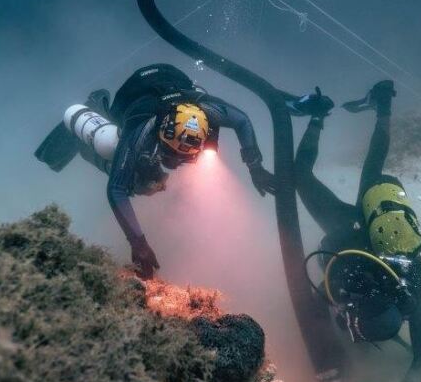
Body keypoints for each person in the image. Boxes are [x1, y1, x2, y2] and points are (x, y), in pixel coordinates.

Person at [36, 63, 276, 278]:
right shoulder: (141, 128)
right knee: (130, 172)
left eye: (185, 157)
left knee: (185, 163)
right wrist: (138, 243)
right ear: (160, 136)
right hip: (132, 96)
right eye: (172, 155)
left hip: (177, 80)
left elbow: (242, 120)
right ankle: (97, 105)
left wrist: (256, 168)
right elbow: (116, 189)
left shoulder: (206, 111)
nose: (177, 163)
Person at [293, 80, 421, 382]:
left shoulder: (410, 296)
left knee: (371, 169)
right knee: (300, 176)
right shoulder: (346, 279)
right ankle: (320, 116)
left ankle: (373, 106)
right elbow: (310, 303)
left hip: (363, 231)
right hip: (347, 230)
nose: (351, 331)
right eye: (354, 327)